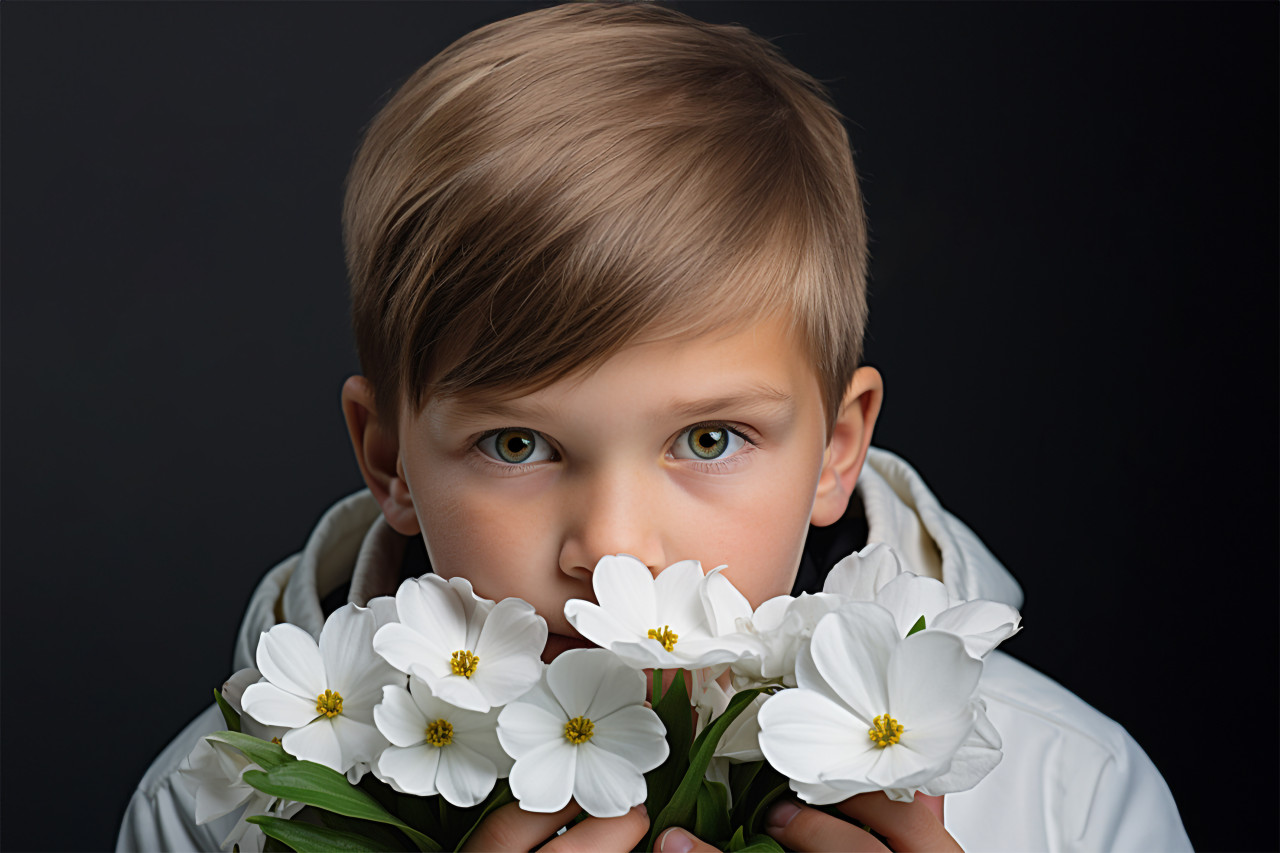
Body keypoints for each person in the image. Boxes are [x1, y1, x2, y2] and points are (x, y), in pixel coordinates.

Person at [117, 3, 1191, 851]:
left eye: (709, 438)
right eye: (518, 444)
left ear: (836, 448)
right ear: (388, 459)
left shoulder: (1066, 796)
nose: (616, 552)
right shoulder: (214, 810)